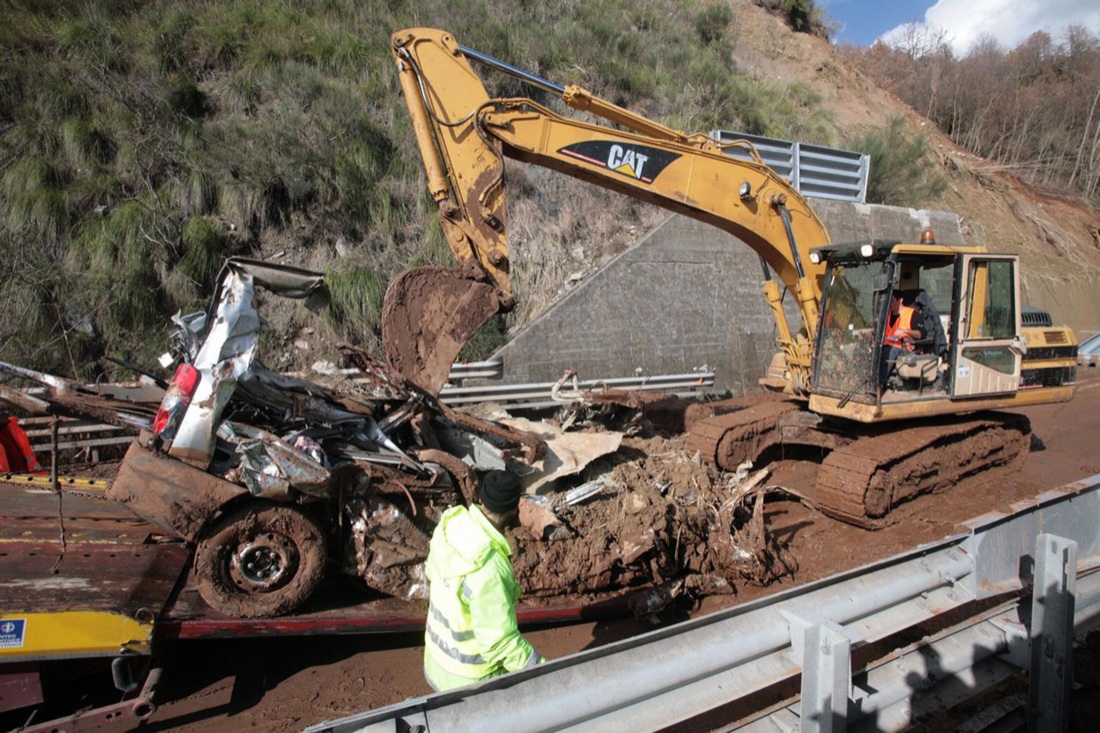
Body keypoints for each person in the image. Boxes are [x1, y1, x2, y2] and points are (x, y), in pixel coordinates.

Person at [423, 469, 544, 691]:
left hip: (435, 662)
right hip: (468, 679)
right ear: (513, 509)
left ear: (481, 500)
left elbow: (431, 573)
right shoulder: (489, 567)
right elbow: (500, 643)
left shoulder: (451, 524)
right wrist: (543, 670)